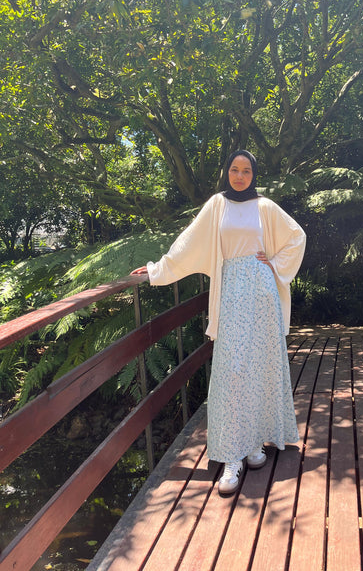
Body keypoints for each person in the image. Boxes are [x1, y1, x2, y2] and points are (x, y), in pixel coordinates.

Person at [130, 150, 306, 495]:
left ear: (254, 174)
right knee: (232, 370)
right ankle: (232, 457)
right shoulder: (217, 205)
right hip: (230, 292)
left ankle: (254, 443)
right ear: (227, 172)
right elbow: (188, 244)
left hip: (261, 291)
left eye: (247, 171)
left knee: (257, 365)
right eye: (235, 170)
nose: (240, 176)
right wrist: (157, 270)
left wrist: (272, 262)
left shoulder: (265, 206)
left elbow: (297, 236)